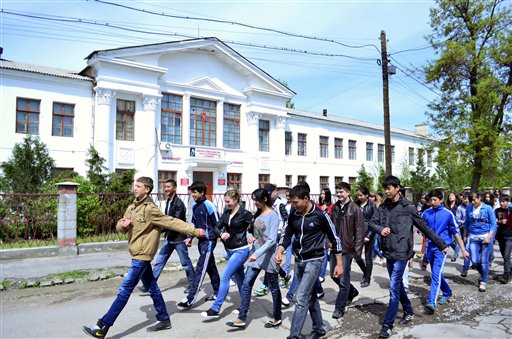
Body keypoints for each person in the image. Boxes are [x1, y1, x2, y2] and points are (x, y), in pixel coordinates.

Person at [82, 177, 205, 338]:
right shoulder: (133, 206)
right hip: (135, 253)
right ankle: (164, 318)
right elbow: (120, 223)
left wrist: (195, 231)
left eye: (138, 186)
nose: (135, 188)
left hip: (142, 255)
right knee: (152, 287)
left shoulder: (150, 209)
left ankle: (102, 326)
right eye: (135, 185)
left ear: (147, 189)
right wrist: (122, 225)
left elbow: (171, 221)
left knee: (125, 290)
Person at [369, 176, 448, 339]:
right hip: (388, 252)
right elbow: (371, 223)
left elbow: (425, 228)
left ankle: (387, 325)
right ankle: (409, 310)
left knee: (393, 289)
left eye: (389, 188)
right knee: (396, 286)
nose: (386, 191)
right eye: (385, 188)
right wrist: (380, 229)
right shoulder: (383, 206)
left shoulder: (409, 207)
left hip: (402, 253)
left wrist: (441, 244)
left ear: (398, 188)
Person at [275, 184, 343, 339]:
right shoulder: (294, 214)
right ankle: (319, 328)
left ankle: (293, 336)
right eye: (291, 203)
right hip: (299, 260)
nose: (293, 206)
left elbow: (335, 239)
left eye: (296, 202)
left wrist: (339, 264)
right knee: (311, 297)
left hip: (315, 261)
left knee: (301, 299)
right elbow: (287, 235)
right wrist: (280, 251)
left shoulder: (320, 215)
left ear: (306, 199)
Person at [228, 188, 282, 328]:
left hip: (268, 257)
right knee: (246, 285)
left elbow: (271, 240)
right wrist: (249, 236)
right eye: (253, 200)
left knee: (274, 288)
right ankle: (242, 317)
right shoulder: (257, 214)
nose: (254, 202)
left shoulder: (273, 216)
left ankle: (277, 317)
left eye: (256, 200)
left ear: (264, 199)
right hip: (255, 256)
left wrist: (256, 254)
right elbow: (249, 230)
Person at [201, 189, 253, 318]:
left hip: (241, 250)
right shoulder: (226, 212)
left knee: (225, 277)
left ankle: (216, 308)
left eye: (228, 202)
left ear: (236, 200)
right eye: (225, 202)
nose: (227, 204)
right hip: (229, 250)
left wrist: (253, 235)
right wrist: (221, 233)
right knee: (240, 280)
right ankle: (244, 306)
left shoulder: (245, 214)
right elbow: (216, 227)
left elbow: (256, 225)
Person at [138, 179, 194, 294]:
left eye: (168, 187)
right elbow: (165, 220)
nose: (166, 189)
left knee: (186, 264)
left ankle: (193, 285)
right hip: (169, 239)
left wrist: (158, 230)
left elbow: (174, 223)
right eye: (165, 187)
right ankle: (149, 285)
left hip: (179, 239)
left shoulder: (179, 204)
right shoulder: (169, 201)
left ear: (174, 188)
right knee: (159, 262)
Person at [421, 189, 469, 314]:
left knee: (435, 274)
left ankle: (431, 302)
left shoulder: (448, 214)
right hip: (430, 247)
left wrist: (463, 249)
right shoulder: (426, 213)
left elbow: (456, 233)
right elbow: (421, 229)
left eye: (435, 200)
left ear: (441, 200)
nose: (432, 202)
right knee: (436, 274)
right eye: (431, 200)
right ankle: (447, 292)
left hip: (442, 248)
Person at [178, 181, 220, 308]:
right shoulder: (195, 207)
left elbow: (218, 225)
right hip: (201, 242)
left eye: (195, 192)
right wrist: (190, 237)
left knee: (200, 268)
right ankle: (218, 292)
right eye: (191, 192)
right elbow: (196, 226)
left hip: (209, 241)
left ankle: (190, 299)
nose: (192, 195)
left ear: (201, 192)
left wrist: (216, 238)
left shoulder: (210, 205)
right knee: (210, 267)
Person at [330, 182, 365, 319]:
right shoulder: (335, 207)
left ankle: (339, 308)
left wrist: (356, 251)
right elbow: (330, 227)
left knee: (343, 280)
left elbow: (360, 231)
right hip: (335, 248)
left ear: (348, 192)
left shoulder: (355, 209)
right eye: (337, 192)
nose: (339, 194)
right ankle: (352, 291)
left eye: (342, 192)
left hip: (347, 249)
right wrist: (328, 242)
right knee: (334, 275)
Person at [464, 192, 497, 292]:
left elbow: (493, 224)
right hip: (473, 237)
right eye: (471, 201)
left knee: (484, 260)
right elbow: (466, 223)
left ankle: (483, 282)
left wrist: (489, 237)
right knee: (474, 260)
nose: (473, 202)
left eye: (475, 200)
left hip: (485, 237)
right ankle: (484, 274)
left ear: (479, 198)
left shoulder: (487, 208)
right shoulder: (469, 208)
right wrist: (465, 235)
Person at [355, 186, 378, 288]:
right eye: (358, 195)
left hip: (369, 235)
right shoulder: (355, 205)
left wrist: (368, 236)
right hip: (357, 234)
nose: (359, 197)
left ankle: (367, 278)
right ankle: (366, 271)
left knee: (368, 257)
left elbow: (374, 222)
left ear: (366, 196)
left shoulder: (372, 206)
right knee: (356, 256)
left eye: (361, 195)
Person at [317, 187, 333, 283]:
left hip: (327, 233)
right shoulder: (318, 206)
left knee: (324, 252)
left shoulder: (332, 206)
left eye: (324, 193)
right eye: (321, 193)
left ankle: (322, 274)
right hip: (318, 233)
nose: (322, 195)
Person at [495, 194, 512, 284]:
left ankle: (506, 276)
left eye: (503, 201)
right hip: (501, 236)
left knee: (506, 255)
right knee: (504, 255)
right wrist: (500, 221)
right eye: (500, 201)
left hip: (510, 236)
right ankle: (509, 269)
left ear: (508, 202)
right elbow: (494, 221)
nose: (501, 203)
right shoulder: (497, 210)